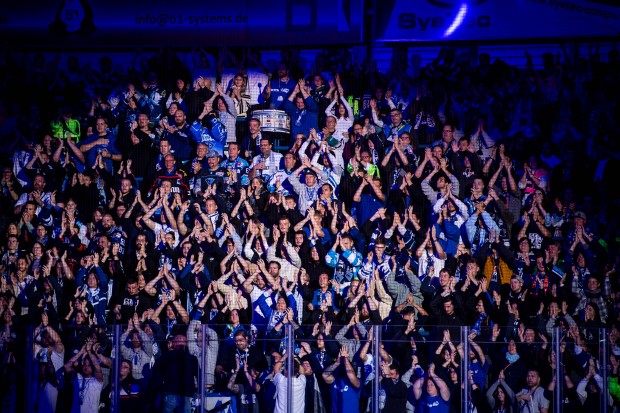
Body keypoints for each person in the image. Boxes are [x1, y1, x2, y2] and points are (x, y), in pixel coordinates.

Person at [151, 331, 199, 413]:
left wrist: (161, 388)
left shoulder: (165, 356)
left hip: (169, 392)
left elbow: (156, 373)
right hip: (185, 394)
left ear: (173, 344)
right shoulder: (192, 358)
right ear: (186, 344)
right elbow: (198, 375)